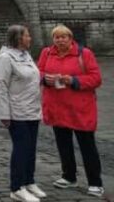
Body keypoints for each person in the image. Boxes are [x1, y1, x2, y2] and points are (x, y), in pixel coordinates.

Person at [38, 25, 103, 197]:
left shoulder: (84, 54)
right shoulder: (46, 53)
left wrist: (72, 80)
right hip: (57, 106)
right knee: (63, 144)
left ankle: (95, 182)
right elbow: (38, 72)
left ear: (70, 38)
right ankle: (69, 176)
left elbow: (96, 78)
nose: (60, 40)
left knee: (87, 146)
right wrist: (45, 79)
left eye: (63, 37)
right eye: (56, 38)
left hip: (80, 108)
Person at [0, 25, 45, 202]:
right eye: (27, 36)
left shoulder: (25, 55)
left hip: (32, 109)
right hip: (16, 112)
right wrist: (4, 113)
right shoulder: (5, 58)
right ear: (18, 38)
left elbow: (32, 76)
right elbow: (0, 86)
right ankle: (16, 187)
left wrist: (46, 79)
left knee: (31, 149)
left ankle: (29, 181)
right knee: (21, 149)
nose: (30, 38)